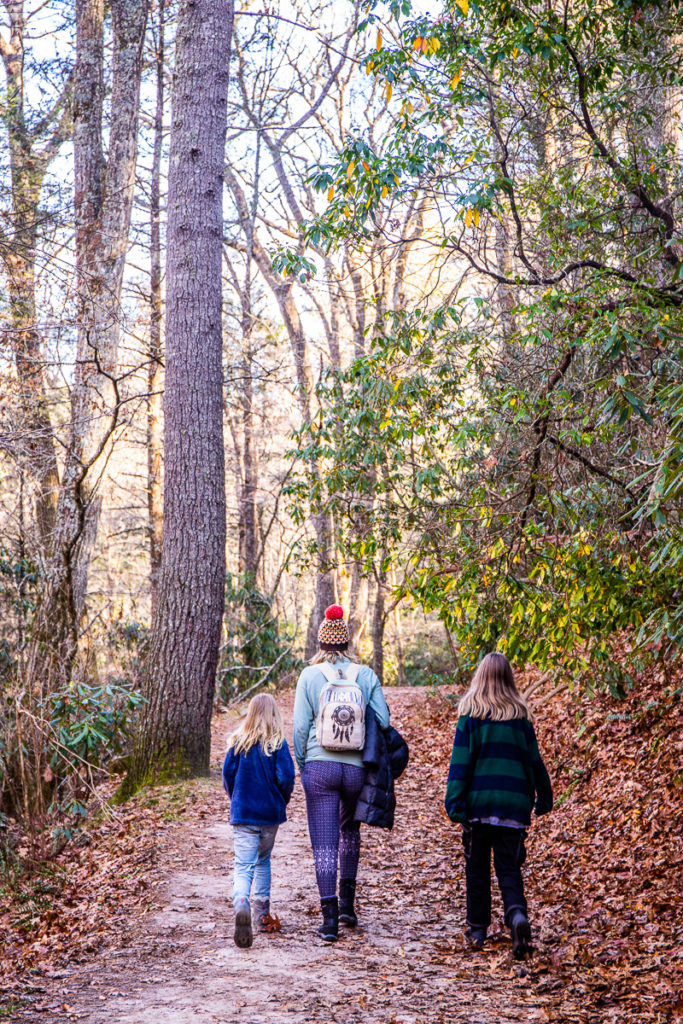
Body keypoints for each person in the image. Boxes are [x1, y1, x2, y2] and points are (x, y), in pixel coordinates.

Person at [444, 652, 553, 960]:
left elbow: (460, 764)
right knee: (508, 869)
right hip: (513, 806)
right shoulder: (520, 719)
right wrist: (544, 798)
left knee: (476, 867)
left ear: (480, 678)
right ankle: (517, 916)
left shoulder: (470, 717)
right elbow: (535, 762)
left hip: (479, 806)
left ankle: (478, 929)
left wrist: (455, 803)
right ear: (508, 679)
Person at [293, 604, 390, 941]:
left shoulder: (308, 676)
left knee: (324, 841)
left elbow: (300, 728)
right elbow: (385, 720)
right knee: (349, 831)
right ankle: (348, 906)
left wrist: (306, 766)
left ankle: (329, 920)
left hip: (320, 767)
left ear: (321, 643)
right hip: (355, 769)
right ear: (347, 643)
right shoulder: (365, 675)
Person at [223, 694, 295, 949]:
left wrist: (236, 798)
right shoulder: (278, 744)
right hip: (269, 815)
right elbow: (286, 777)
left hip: (243, 814)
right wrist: (280, 799)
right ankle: (261, 914)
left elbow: (227, 776)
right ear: (274, 714)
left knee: (244, 865)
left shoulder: (237, 743)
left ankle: (241, 901)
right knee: (263, 861)